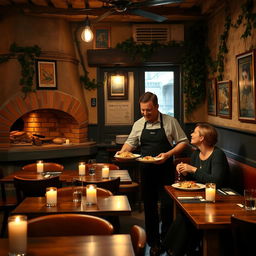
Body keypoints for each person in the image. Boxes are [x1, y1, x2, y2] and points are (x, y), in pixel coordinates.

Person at [118, 92, 188, 256]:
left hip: (165, 171)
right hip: (146, 171)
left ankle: (168, 242)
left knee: (167, 206)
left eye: (148, 110)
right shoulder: (139, 124)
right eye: (142, 110)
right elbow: (130, 142)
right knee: (149, 208)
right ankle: (153, 243)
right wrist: (123, 152)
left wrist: (168, 154)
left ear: (157, 107)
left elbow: (183, 142)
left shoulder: (170, 122)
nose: (145, 114)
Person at [162, 122, 229, 256]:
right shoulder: (196, 154)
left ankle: (174, 250)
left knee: (186, 218)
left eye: (194, 132)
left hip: (220, 201)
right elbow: (196, 181)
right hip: (202, 198)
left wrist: (192, 169)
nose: (191, 134)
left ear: (202, 138)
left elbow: (216, 181)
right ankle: (172, 249)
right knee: (183, 216)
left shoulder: (217, 155)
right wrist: (186, 173)